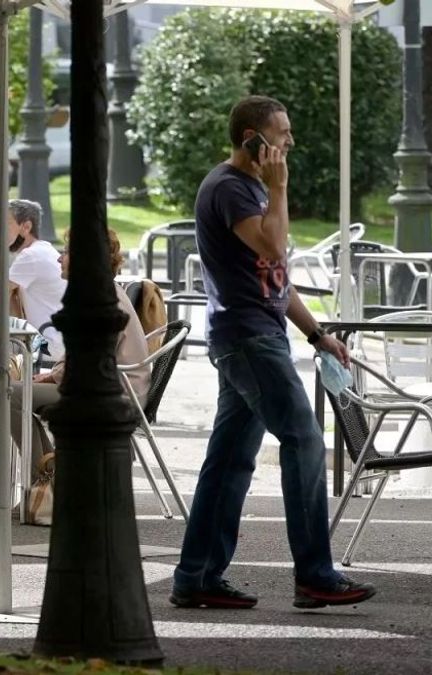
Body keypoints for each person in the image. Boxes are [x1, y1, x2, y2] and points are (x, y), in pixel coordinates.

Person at [171, 95, 375, 610]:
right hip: (248, 339)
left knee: (230, 462)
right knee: (305, 441)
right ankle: (315, 575)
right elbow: (274, 249)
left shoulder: (249, 189)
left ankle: (195, 576)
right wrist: (280, 188)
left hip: (255, 333)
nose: (289, 144)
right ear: (252, 141)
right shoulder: (230, 189)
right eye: (281, 135)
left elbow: (275, 280)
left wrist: (316, 334)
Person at [10, 230, 149, 467]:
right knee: (14, 392)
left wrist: (52, 377)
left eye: (65, 252)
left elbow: (87, 360)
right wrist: (52, 375)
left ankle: (44, 481)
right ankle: (49, 478)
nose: (58, 258)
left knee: (8, 394)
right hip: (108, 388)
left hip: (109, 396)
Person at [5, 199, 65, 354]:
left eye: (6, 224)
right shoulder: (43, 250)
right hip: (56, 340)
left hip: (50, 345)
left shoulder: (30, 256)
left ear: (26, 227)